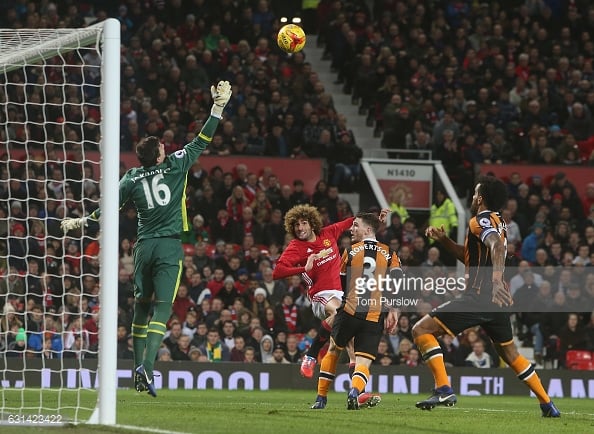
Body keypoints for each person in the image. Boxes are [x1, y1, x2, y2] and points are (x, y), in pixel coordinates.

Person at [61, 81, 233, 398]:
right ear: (158, 155)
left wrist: (83, 220)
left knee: (141, 308)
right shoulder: (175, 165)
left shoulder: (131, 177)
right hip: (168, 245)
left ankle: (137, 369)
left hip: (142, 248)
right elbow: (202, 140)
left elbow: (108, 207)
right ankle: (147, 369)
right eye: (163, 148)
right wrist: (217, 108)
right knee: (163, 310)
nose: (167, 148)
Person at [414, 175, 560, 417]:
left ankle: (443, 388)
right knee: (510, 354)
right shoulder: (499, 221)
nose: (472, 198)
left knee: (421, 330)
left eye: (474, 194)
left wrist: (494, 279)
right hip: (497, 302)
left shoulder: (479, 220)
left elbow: (499, 248)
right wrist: (444, 241)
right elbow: (475, 257)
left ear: (480, 198)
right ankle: (547, 404)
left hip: (479, 296)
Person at [272, 204, 388, 378]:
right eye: (296, 225)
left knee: (350, 339)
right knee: (342, 314)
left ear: (312, 223)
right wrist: (304, 267)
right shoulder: (296, 246)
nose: (300, 228)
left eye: (303, 223)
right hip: (320, 297)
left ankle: (358, 391)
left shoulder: (328, 233)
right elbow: (277, 272)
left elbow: (353, 221)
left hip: (341, 296)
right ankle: (311, 354)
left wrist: (375, 218)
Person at [311, 212, 401, 410]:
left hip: (350, 312)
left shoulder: (350, 251)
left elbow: (342, 285)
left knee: (334, 350)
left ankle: (321, 398)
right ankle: (354, 392)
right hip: (374, 316)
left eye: (356, 226)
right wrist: (394, 309)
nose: (352, 229)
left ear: (367, 229)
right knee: (363, 362)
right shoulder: (390, 254)